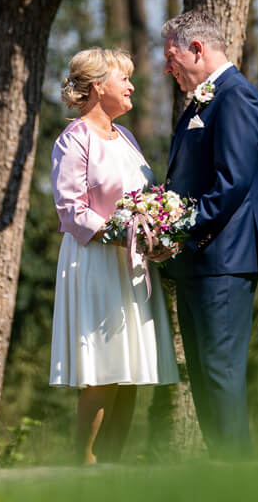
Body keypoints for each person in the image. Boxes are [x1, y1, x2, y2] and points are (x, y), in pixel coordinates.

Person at [49, 48, 179, 464]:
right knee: (104, 368)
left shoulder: (126, 137)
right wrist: (119, 233)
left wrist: (158, 231)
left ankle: (112, 465)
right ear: (99, 86)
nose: (131, 86)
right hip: (97, 261)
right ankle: (83, 463)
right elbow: (71, 209)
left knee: (130, 369)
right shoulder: (74, 138)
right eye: (124, 78)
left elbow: (143, 197)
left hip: (134, 264)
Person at [161, 10, 258, 456]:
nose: (167, 68)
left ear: (197, 49)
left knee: (220, 370)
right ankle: (223, 471)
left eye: (172, 57)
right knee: (205, 373)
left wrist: (179, 230)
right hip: (196, 260)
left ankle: (240, 476)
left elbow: (232, 183)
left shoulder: (236, 98)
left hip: (223, 258)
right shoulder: (201, 101)